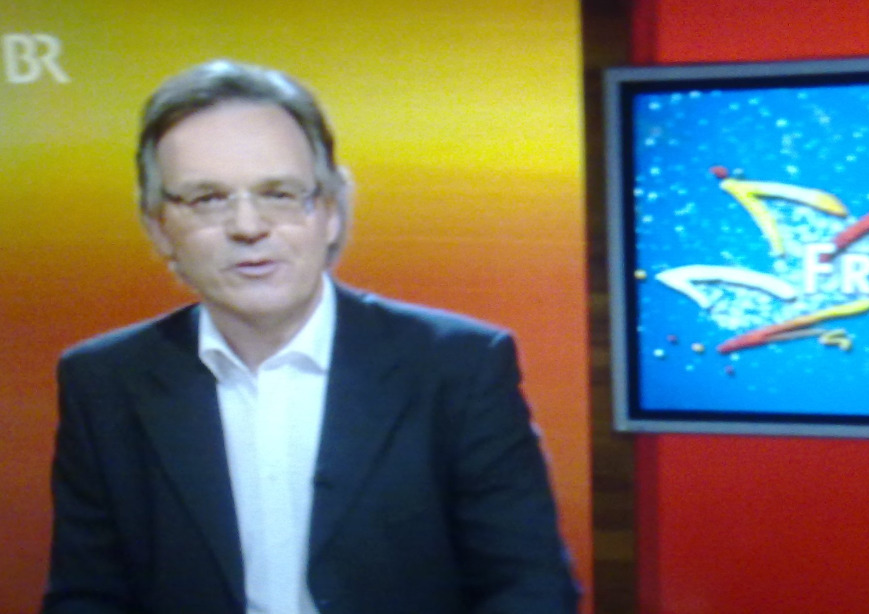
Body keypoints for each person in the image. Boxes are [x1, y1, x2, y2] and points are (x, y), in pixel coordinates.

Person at [43, 59, 579, 614]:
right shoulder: (103, 382)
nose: (248, 227)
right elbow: (87, 596)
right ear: (158, 226)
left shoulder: (459, 367)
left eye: (278, 193)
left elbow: (529, 589)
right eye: (207, 199)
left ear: (330, 210)